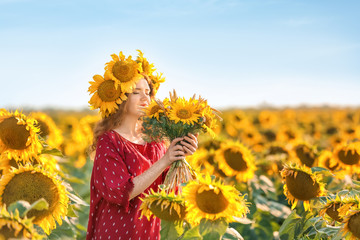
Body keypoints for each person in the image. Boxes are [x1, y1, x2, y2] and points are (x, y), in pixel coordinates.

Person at [86, 51, 198, 240]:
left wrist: (181, 153)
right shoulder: (110, 141)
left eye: (148, 92)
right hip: (115, 233)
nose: (145, 99)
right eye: (136, 92)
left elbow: (167, 189)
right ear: (120, 98)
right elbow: (121, 192)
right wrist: (165, 160)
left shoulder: (154, 141)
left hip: (148, 232)